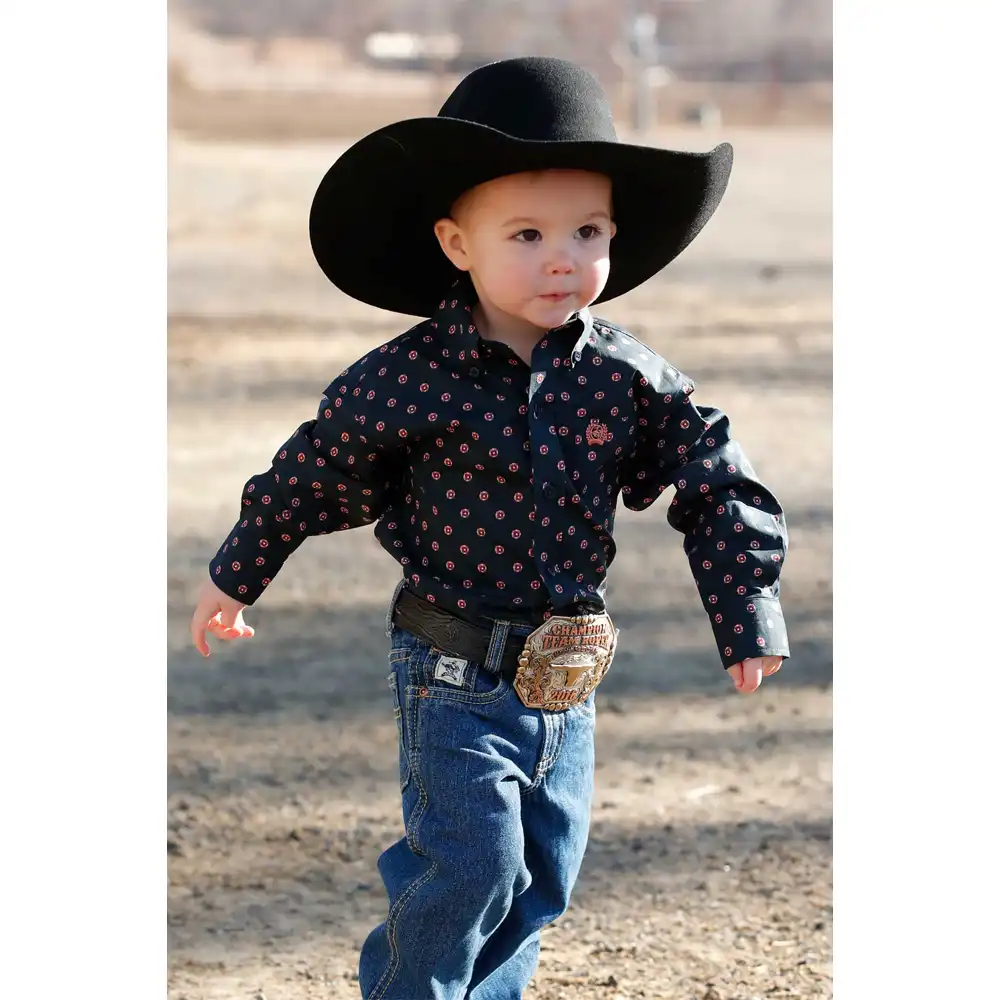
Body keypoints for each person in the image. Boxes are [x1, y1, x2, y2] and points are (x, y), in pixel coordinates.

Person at [189, 56, 790, 1000]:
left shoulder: (625, 376)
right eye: (528, 233)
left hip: (568, 681)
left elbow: (714, 474)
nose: (564, 257)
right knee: (470, 870)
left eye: (588, 231)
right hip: (453, 677)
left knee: (540, 882)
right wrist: (239, 572)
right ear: (457, 244)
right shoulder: (407, 378)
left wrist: (746, 599)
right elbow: (313, 469)